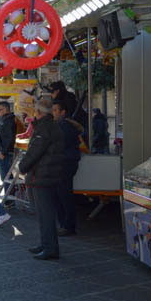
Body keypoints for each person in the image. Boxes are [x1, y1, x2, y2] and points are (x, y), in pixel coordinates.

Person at [19, 98, 65, 260]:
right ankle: (46, 244)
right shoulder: (49, 126)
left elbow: (34, 152)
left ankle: (50, 248)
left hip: (42, 175)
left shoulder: (45, 128)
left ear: (38, 112)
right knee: (43, 213)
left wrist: (22, 167)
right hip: (45, 174)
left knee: (45, 214)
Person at [53, 101, 83, 237]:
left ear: (62, 112)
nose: (52, 113)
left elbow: (60, 146)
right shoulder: (62, 125)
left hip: (64, 165)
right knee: (61, 196)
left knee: (64, 196)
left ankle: (68, 226)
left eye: (55, 110)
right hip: (63, 164)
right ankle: (64, 224)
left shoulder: (65, 126)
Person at [0, 101, 18, 194]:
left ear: (5, 109)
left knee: (6, 177)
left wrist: (3, 152)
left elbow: (9, 138)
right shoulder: (5, 119)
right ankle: (9, 197)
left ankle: (9, 200)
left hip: (5, 153)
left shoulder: (9, 120)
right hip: (4, 151)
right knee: (5, 177)